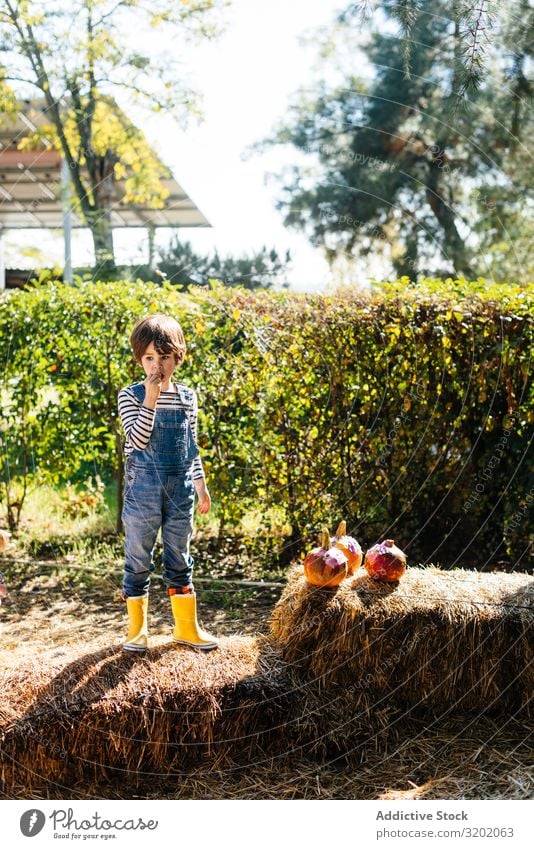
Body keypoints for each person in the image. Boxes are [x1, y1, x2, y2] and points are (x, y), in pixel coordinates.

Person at [117, 313, 218, 652]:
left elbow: (191, 446)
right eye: (149, 357)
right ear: (139, 358)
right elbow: (138, 439)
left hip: (180, 489)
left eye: (164, 357)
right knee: (138, 558)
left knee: (179, 556)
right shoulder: (130, 396)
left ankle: (186, 629)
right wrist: (151, 396)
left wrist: (200, 485)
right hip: (142, 488)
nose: (156, 365)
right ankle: (137, 631)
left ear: (178, 357)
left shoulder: (188, 397)